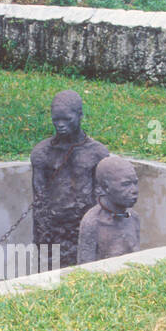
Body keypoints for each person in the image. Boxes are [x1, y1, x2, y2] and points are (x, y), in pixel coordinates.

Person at [31, 90, 110, 267]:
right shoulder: (42, 153)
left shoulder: (97, 153)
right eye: (56, 119)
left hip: (83, 227)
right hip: (51, 229)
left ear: (80, 115)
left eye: (67, 119)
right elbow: (38, 199)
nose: (60, 125)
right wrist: (43, 234)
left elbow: (102, 199)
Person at [78, 156, 141, 263]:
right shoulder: (92, 223)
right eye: (125, 184)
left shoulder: (133, 217)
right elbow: (84, 269)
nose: (134, 190)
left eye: (135, 183)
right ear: (106, 187)